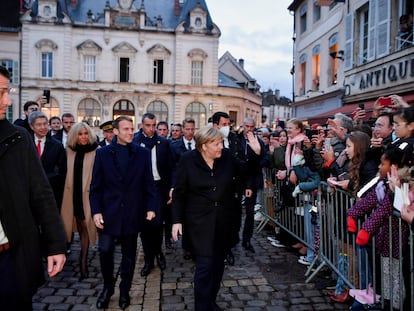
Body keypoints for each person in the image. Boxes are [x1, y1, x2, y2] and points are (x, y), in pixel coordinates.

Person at [0, 65, 66, 310]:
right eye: (1, 92)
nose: (7, 100)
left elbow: (41, 193)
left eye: (8, 91)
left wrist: (55, 244)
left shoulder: (18, 138)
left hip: (10, 257)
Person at [172, 126, 252, 311]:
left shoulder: (227, 158)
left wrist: (256, 152)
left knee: (217, 266)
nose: (221, 147)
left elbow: (245, 171)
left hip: (224, 222)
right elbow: (179, 193)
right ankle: (202, 306)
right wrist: (176, 221)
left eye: (221, 143)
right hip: (199, 223)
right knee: (204, 266)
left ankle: (210, 301)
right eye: (216, 144)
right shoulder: (188, 160)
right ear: (204, 145)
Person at [90, 116, 158, 310]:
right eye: (126, 129)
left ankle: (125, 290)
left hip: (132, 213)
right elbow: (95, 187)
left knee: (129, 255)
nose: (130, 132)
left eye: (132, 129)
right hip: (108, 214)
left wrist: (152, 207)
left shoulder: (142, 154)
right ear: (116, 131)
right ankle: (108, 288)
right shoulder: (102, 154)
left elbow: (149, 184)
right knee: (105, 250)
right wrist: (96, 212)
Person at [133, 113, 175, 276]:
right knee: (145, 227)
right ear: (142, 125)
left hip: (158, 188)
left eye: (153, 125)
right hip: (141, 190)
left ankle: (158, 252)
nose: (151, 129)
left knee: (157, 224)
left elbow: (172, 167)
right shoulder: (135, 142)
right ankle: (149, 259)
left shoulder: (164, 143)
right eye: (148, 125)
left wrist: (172, 187)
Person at [60, 122, 99, 280]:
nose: (83, 137)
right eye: (79, 134)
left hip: (86, 196)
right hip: (70, 195)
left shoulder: (96, 151)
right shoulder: (68, 151)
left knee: (84, 226)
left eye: (85, 134)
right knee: (67, 226)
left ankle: (83, 261)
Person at [238, 117, 265, 253]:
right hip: (237, 180)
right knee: (235, 211)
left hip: (252, 180)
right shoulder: (236, 140)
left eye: (252, 127)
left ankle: (247, 239)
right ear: (243, 126)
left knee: (249, 212)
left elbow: (264, 159)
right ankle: (233, 237)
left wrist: (255, 158)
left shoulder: (258, 142)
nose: (249, 129)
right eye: (247, 126)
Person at [28, 111, 67, 210]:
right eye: (39, 124)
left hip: (50, 192)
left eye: (45, 124)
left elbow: (62, 171)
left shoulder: (57, 145)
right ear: (32, 127)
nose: (43, 127)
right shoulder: (25, 144)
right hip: (28, 193)